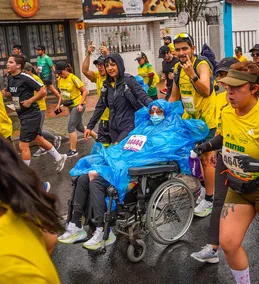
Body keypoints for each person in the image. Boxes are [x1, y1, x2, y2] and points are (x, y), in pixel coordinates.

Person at [192, 61, 259, 284]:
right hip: (239, 186)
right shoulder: (228, 111)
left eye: (236, 88)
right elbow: (224, 137)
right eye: (227, 87)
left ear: (254, 89)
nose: (229, 92)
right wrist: (207, 146)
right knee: (229, 243)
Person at [58, 99, 209, 249]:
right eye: (151, 111)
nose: (154, 114)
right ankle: (75, 225)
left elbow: (155, 153)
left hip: (140, 171)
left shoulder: (172, 130)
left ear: (166, 112)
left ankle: (102, 229)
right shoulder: (144, 127)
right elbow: (127, 148)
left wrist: (121, 163)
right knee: (83, 177)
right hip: (126, 163)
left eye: (158, 111)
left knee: (95, 179)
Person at [191, 57, 238, 263]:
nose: (222, 80)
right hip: (225, 158)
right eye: (219, 75)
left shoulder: (256, 104)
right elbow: (219, 129)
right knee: (218, 202)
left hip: (253, 167)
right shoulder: (218, 98)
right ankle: (212, 248)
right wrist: (209, 148)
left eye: (226, 75)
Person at [0, 136, 63, 283]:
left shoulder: (10, 269)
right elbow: (51, 237)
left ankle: (59, 154)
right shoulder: (19, 206)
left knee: (25, 145)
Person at [169, 33, 217, 217]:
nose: (182, 53)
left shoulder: (201, 64)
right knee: (191, 160)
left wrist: (192, 75)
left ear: (193, 49)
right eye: (178, 49)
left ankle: (210, 199)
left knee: (206, 160)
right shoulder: (177, 68)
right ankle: (204, 190)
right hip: (189, 122)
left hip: (206, 123)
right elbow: (174, 96)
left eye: (185, 48)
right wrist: (162, 112)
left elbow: (205, 91)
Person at [2, 54, 67, 171]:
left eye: (10, 62)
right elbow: (14, 93)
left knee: (23, 146)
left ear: (18, 65)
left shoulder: (25, 77)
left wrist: (30, 101)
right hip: (22, 114)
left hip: (31, 114)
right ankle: (59, 157)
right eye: (7, 62)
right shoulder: (10, 78)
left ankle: (24, 175)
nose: (7, 64)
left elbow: (43, 91)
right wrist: (7, 94)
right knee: (38, 139)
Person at [85, 53, 152, 144]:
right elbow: (100, 107)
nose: (110, 68)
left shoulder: (129, 80)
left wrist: (155, 106)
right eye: (107, 65)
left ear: (119, 65)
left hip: (128, 125)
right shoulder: (106, 85)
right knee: (118, 154)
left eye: (113, 64)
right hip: (113, 127)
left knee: (117, 148)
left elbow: (143, 96)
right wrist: (90, 126)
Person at [23, 62, 62, 157]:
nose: (23, 73)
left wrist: (32, 100)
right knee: (37, 131)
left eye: (24, 71)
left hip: (40, 108)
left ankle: (47, 145)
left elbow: (43, 93)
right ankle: (55, 138)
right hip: (34, 108)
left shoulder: (35, 79)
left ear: (29, 71)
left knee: (37, 131)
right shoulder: (28, 79)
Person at [55, 61, 87, 157]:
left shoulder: (73, 78)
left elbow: (85, 91)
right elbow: (62, 93)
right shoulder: (60, 79)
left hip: (78, 105)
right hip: (69, 105)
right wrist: (58, 104)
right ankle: (96, 136)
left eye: (61, 72)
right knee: (80, 127)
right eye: (58, 73)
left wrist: (81, 104)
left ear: (65, 70)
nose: (59, 74)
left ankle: (73, 150)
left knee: (71, 127)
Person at [82, 43, 111, 146]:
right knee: (104, 146)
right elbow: (85, 70)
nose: (100, 67)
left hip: (115, 118)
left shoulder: (113, 77)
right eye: (98, 65)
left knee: (117, 146)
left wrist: (108, 54)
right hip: (103, 118)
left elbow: (119, 68)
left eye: (102, 64)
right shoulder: (97, 76)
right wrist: (88, 54)